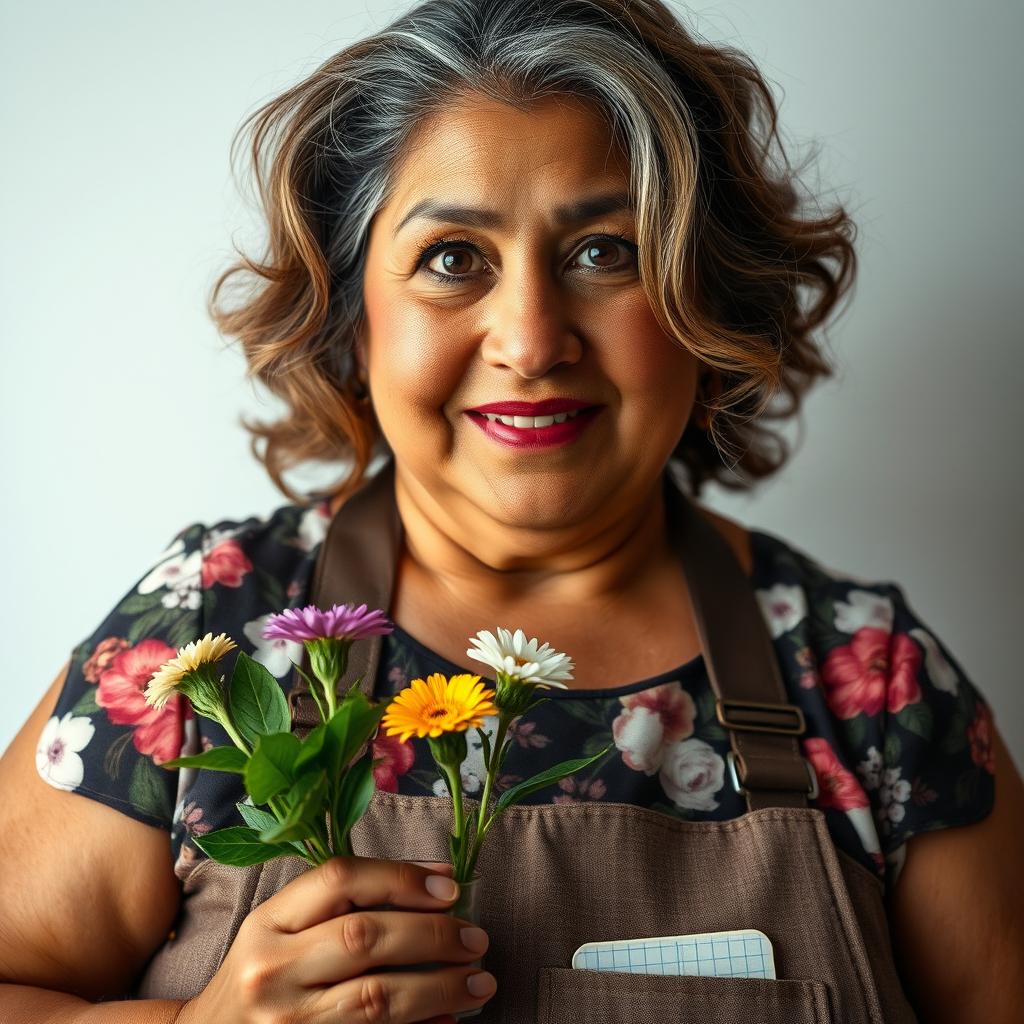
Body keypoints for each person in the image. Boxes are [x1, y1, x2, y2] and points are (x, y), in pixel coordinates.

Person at [2, 0, 1022, 1021]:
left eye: (604, 252)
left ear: (706, 303)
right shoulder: (207, 638)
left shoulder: (875, 684)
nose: (531, 340)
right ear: (355, 315)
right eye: (454, 257)